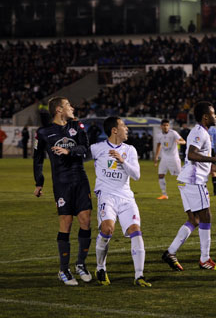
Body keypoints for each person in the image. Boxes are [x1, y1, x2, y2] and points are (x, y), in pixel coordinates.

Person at [161, 102, 216, 272]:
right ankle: (205, 259)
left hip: (187, 180)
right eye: (214, 113)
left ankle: (170, 252)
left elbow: (199, 161)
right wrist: (215, 159)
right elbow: (192, 154)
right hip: (194, 182)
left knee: (194, 220)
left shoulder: (203, 133)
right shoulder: (200, 132)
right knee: (206, 216)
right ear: (205, 117)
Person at [33, 97, 94, 286]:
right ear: (59, 109)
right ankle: (63, 269)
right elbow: (37, 159)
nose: (72, 108)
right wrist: (39, 182)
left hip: (80, 179)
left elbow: (87, 150)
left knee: (85, 221)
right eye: (68, 105)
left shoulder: (77, 126)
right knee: (66, 223)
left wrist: (70, 151)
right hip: (61, 182)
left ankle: (81, 265)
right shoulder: (43, 132)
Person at [91, 117, 151, 287]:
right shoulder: (97, 148)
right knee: (107, 229)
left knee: (135, 230)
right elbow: (79, 158)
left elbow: (137, 175)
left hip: (126, 197)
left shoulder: (130, 150)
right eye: (123, 126)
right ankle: (100, 268)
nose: (127, 129)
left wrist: (122, 161)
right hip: (107, 196)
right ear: (114, 130)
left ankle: (139, 275)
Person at [154, 119, 185, 200]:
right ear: (161, 126)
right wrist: (156, 157)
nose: (166, 127)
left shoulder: (173, 133)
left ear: (169, 126)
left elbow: (184, 141)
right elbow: (158, 145)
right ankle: (164, 194)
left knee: (180, 176)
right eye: (164, 125)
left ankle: (185, 193)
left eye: (167, 125)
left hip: (173, 157)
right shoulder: (159, 135)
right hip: (164, 158)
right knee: (160, 175)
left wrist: (179, 142)